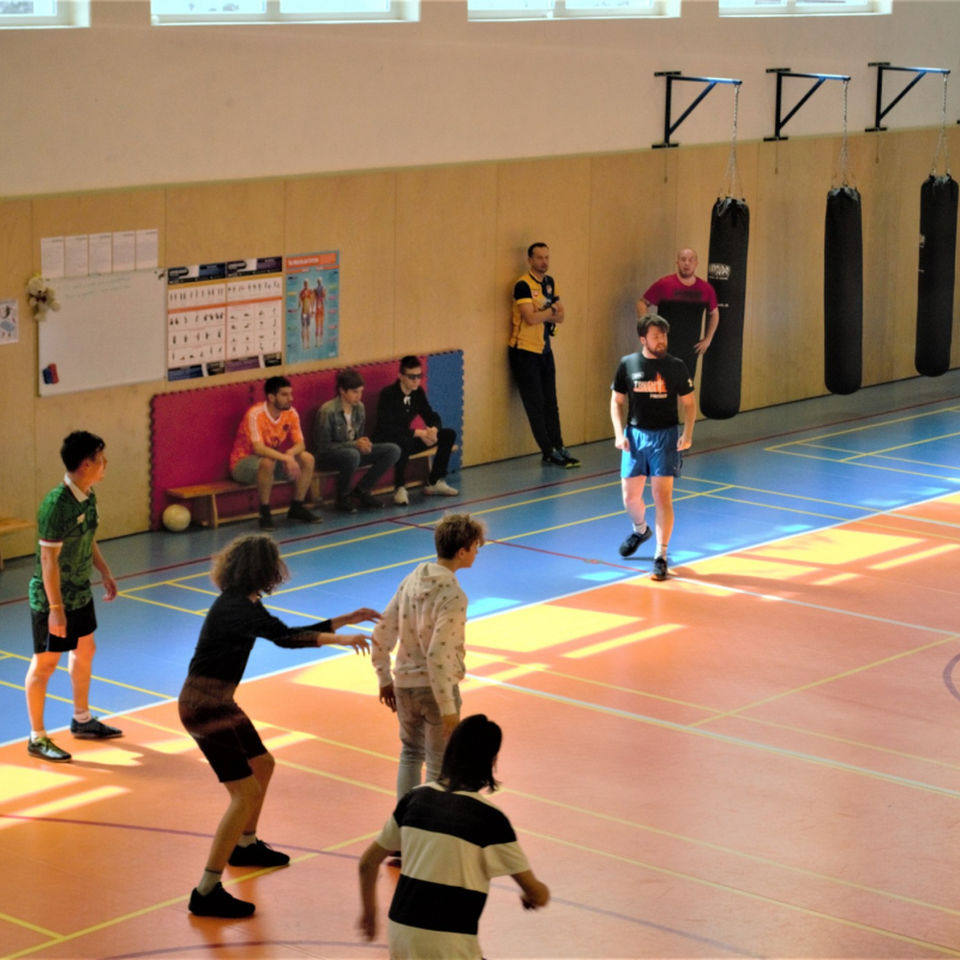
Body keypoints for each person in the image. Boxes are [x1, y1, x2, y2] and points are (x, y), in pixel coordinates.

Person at [180, 533, 378, 918]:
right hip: (204, 708)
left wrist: (344, 620)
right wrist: (340, 639)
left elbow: (281, 631)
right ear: (264, 569)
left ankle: (245, 845)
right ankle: (206, 890)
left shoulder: (243, 603)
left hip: (218, 702)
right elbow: (286, 639)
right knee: (244, 794)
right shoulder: (236, 608)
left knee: (263, 764)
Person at [358, 714, 550, 959]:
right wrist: (532, 895)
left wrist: (370, 914)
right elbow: (538, 894)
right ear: (491, 761)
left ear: (450, 752)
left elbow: (367, 863)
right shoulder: (490, 819)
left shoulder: (414, 799)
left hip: (400, 936)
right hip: (448, 944)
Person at [372, 513, 484, 802]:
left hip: (404, 685)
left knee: (410, 753)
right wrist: (448, 707)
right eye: (475, 547)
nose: (477, 552)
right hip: (435, 690)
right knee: (438, 762)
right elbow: (438, 654)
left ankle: (403, 821)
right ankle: (427, 822)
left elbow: (382, 630)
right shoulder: (454, 595)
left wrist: (385, 678)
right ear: (462, 551)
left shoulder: (411, 580)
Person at [25, 431, 121, 763]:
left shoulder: (88, 495)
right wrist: (55, 609)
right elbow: (48, 560)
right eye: (100, 458)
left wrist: (104, 571)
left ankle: (82, 719)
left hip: (80, 592)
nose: (105, 463)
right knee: (45, 664)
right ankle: (37, 737)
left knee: (85, 650)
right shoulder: (56, 505)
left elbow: (87, 537)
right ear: (85, 464)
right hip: (52, 598)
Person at [610, 315, 695, 581]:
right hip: (635, 437)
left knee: (661, 497)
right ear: (643, 339)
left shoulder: (676, 366)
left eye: (664, 335)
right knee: (629, 497)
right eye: (655, 336)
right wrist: (619, 434)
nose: (661, 340)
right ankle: (640, 530)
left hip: (665, 437)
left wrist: (687, 434)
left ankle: (661, 555)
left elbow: (690, 404)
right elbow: (616, 401)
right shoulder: (628, 364)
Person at [509, 242, 579, 468]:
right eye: (539, 257)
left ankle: (559, 446)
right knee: (535, 404)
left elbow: (561, 316)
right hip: (524, 351)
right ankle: (547, 452)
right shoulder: (523, 285)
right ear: (530, 260)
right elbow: (530, 318)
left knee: (551, 402)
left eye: (546, 257)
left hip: (544, 350)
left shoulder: (550, 283)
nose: (544, 262)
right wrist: (550, 311)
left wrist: (545, 313)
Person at [229, 375, 321, 530]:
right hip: (244, 463)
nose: (290, 398)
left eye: (291, 394)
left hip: (273, 460)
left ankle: (297, 506)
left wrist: (290, 453)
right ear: (271, 397)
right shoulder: (255, 414)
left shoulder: (291, 413)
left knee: (307, 458)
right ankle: (264, 513)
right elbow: (258, 449)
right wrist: (286, 458)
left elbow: (301, 444)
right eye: (284, 395)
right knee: (267, 462)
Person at [372, 356, 459, 505]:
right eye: (412, 377)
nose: (416, 381)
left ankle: (434, 481)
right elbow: (388, 427)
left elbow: (430, 415)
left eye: (419, 376)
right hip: (388, 440)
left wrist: (433, 430)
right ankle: (399, 487)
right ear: (401, 376)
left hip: (408, 437)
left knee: (448, 434)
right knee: (404, 442)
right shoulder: (388, 394)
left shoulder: (418, 393)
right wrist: (419, 433)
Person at [313, 368, 400, 512]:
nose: (359, 396)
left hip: (353, 453)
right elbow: (324, 447)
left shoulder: (360, 408)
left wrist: (364, 444)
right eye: (355, 392)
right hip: (328, 457)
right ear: (342, 391)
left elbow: (358, 436)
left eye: (361, 392)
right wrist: (355, 445)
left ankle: (362, 490)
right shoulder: (327, 411)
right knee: (352, 455)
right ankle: (343, 497)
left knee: (393, 450)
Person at [637, 247, 719, 379]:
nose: (687, 263)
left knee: (685, 386)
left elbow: (714, 313)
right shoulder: (664, 284)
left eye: (691, 260)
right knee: (662, 385)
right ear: (677, 262)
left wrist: (708, 339)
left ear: (696, 263)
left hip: (690, 349)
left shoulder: (706, 289)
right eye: (683, 259)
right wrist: (648, 328)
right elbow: (642, 303)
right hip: (664, 347)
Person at [298, 280, 315, 349]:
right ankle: (303, 344)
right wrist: (298, 305)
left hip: (308, 312)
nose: (306, 285)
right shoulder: (301, 292)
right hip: (303, 312)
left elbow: (312, 301)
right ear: (304, 284)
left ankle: (307, 344)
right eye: (305, 284)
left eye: (307, 284)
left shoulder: (310, 291)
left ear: (308, 284)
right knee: (303, 328)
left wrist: (312, 311)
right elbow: (299, 302)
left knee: (308, 328)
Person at [314, 278, 326, 344]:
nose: (319, 282)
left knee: (321, 324)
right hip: (318, 308)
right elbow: (314, 299)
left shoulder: (322, 289)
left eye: (320, 281)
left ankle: (320, 341)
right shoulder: (316, 290)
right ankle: (317, 342)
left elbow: (324, 296)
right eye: (318, 281)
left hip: (321, 308)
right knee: (317, 325)